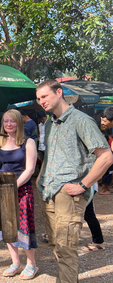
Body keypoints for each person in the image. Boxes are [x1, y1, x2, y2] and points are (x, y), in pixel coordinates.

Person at [36, 79, 113, 283]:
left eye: (44, 96)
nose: (41, 101)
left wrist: (83, 185)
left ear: (59, 92)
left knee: (66, 249)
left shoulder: (81, 120)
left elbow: (106, 156)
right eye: (38, 99)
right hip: (48, 191)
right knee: (55, 245)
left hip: (69, 193)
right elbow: (50, 154)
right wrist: (40, 177)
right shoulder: (50, 122)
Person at [0, 109, 38, 279]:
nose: (9, 124)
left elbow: (30, 169)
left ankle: (31, 263)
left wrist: (14, 186)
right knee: (7, 228)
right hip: (3, 190)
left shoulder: (28, 142)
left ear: (19, 123)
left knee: (24, 227)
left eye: (12, 121)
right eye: (6, 121)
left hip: (22, 189)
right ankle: (15, 262)